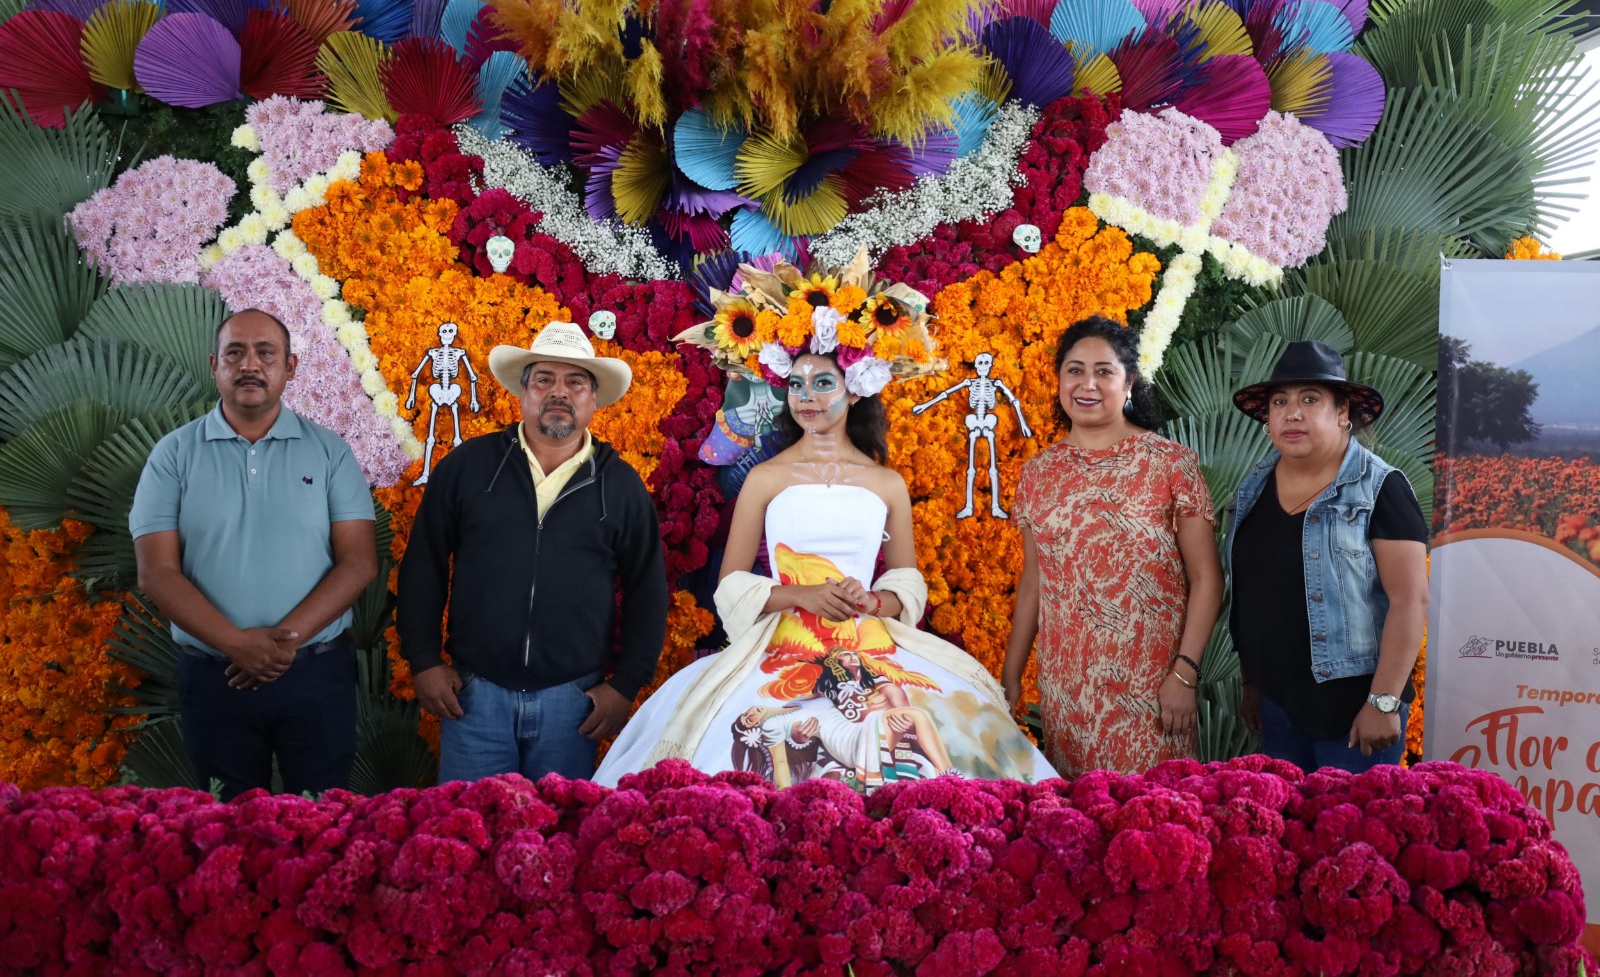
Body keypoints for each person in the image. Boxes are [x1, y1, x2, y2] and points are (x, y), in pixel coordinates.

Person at [597, 255, 1056, 789]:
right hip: (786, 642)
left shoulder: (886, 483)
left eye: (822, 383)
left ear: (855, 388)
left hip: (873, 645)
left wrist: (873, 603)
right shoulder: (767, 478)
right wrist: (801, 598)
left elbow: (904, 582)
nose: (806, 397)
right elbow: (732, 584)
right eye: (796, 385)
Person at [396, 320, 668, 782]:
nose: (558, 392)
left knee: (557, 846)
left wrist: (624, 685)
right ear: (522, 393)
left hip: (573, 702)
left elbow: (647, 589)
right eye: (544, 379)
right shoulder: (469, 467)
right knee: (467, 836)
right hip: (475, 695)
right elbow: (424, 563)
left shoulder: (620, 486)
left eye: (575, 381)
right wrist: (423, 659)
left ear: (593, 400)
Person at [131, 308, 378, 800]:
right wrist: (235, 644)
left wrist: (281, 645)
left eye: (266, 353)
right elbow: (157, 572)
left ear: (291, 367)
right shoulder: (173, 455)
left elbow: (359, 562)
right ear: (213, 366)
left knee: (323, 823)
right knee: (225, 830)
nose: (250, 364)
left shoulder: (331, 452)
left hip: (315, 674)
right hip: (214, 674)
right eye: (235, 353)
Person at [1002, 315, 1223, 777]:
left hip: (1154, 688)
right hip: (1067, 692)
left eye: (1104, 371)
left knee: (1155, 827)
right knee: (1078, 830)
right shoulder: (1039, 473)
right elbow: (1033, 581)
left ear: (1130, 382)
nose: (1088, 383)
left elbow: (1207, 578)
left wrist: (1184, 674)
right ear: (1060, 379)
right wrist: (1010, 679)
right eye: (1075, 370)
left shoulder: (1170, 464)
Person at [1226, 340, 1427, 773]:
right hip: (1278, 707)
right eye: (1280, 401)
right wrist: (1252, 683)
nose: (1292, 413)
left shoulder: (1380, 489)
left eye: (1310, 399)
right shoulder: (1253, 487)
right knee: (1289, 833)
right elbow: (1253, 593)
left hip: (1354, 716)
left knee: (1351, 835)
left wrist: (1384, 701)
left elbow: (1410, 601)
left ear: (1343, 413)